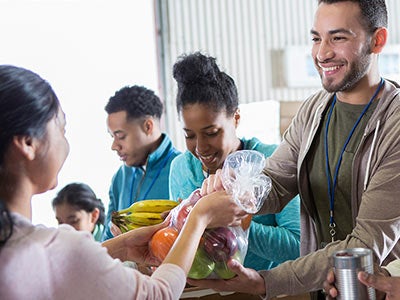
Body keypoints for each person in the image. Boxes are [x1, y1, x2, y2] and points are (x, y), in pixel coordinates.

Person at [187, 1, 400, 299]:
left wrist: (267, 282)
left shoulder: (395, 124)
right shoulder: (315, 110)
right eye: (316, 38)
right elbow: (274, 183)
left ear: (377, 40)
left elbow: (364, 246)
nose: (322, 53)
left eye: (338, 38)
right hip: (325, 290)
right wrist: (238, 190)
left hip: (377, 290)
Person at [0, 64, 247, 299]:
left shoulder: (27, 248)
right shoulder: (57, 247)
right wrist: (199, 218)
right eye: (62, 129)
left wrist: (119, 247)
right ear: (28, 143)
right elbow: (158, 294)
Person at [170, 52, 300, 271]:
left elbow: (298, 246)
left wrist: (235, 220)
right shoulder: (180, 169)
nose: (200, 148)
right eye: (189, 136)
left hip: (265, 291)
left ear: (236, 118)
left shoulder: (272, 161)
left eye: (211, 133)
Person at [102, 85, 181, 240]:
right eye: (112, 137)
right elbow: (107, 238)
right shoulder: (120, 177)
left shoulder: (182, 169)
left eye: (121, 136)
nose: (114, 146)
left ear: (148, 126)